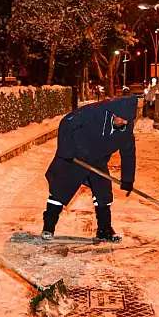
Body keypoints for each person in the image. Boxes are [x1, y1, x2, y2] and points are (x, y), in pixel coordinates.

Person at [42, 96, 137, 243]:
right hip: (75, 156)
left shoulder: (126, 127)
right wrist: (66, 150)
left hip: (97, 160)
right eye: (123, 119)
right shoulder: (94, 112)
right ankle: (48, 227)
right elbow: (66, 123)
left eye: (128, 120)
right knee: (59, 192)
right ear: (114, 113)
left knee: (103, 194)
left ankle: (104, 231)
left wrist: (128, 179)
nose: (125, 122)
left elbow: (128, 152)